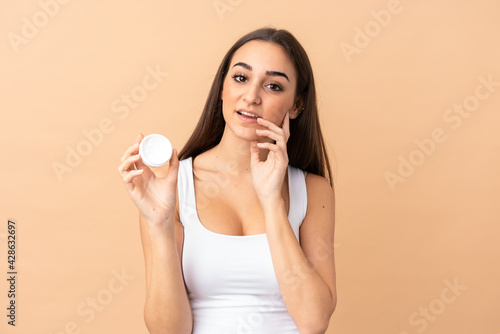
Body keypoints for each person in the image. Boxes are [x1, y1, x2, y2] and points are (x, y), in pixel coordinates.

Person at [118, 27, 337, 334]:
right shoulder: (172, 187)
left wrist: (272, 200)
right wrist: (159, 223)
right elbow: (168, 330)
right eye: (240, 78)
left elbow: (314, 321)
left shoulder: (312, 191)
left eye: (273, 85)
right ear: (222, 88)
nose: (251, 96)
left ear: (296, 105)